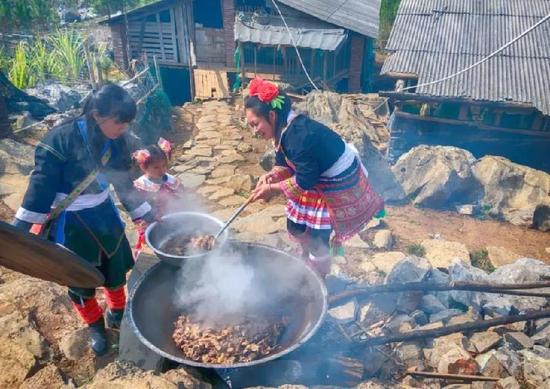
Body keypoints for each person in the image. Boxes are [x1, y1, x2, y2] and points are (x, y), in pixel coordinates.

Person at [12, 83, 155, 356]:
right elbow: (41, 186)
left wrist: (145, 215)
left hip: (104, 214)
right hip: (71, 222)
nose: (123, 128)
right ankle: (94, 326)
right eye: (119, 122)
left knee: (114, 271)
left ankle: (117, 311)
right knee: (79, 280)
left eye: (126, 122)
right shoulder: (59, 139)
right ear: (96, 115)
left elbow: (123, 182)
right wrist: (18, 231)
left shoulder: (116, 140)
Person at [245, 78, 384, 277]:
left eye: (255, 124)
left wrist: (273, 189)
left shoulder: (298, 136)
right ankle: (306, 255)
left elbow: (305, 181)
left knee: (318, 235)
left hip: (336, 179)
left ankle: (318, 274)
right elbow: (282, 161)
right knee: (296, 226)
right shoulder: (284, 130)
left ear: (272, 116)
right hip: (314, 174)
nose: (254, 131)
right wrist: (271, 175)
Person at [132, 138, 184, 253]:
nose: (162, 170)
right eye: (156, 167)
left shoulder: (171, 181)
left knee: (179, 240)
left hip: (172, 218)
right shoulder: (140, 186)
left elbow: (181, 197)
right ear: (144, 167)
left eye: (164, 165)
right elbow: (138, 209)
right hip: (152, 221)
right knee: (156, 245)